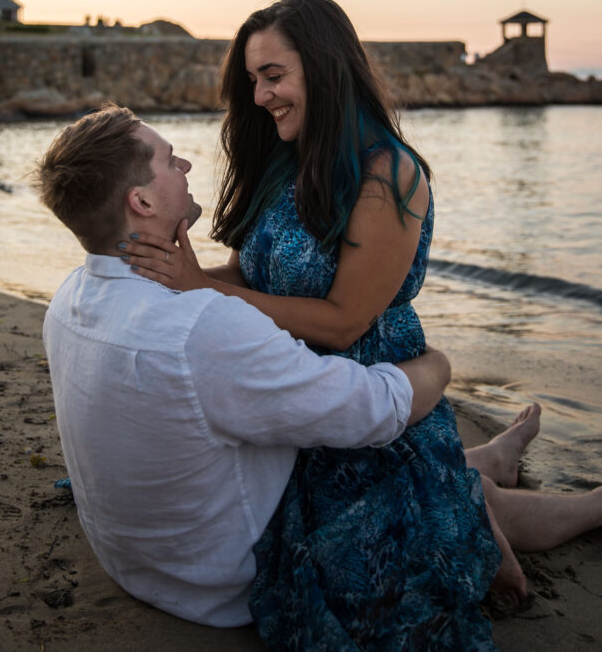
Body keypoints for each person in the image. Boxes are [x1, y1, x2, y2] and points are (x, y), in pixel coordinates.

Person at [122, 0, 602, 652]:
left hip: (381, 402)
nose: (259, 96)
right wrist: (178, 273)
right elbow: (247, 278)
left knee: (373, 580)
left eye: (273, 76)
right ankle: (481, 469)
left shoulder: (387, 175)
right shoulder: (279, 164)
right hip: (293, 400)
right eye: (252, 81)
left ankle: (580, 502)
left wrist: (200, 286)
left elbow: (345, 322)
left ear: (323, 69)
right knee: (402, 516)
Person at [34, 103, 454, 628]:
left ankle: (492, 467)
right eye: (169, 161)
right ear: (140, 201)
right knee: (412, 480)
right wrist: (438, 366)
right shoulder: (204, 330)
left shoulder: (70, 298)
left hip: (132, 561)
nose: (186, 165)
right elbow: (373, 409)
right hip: (216, 582)